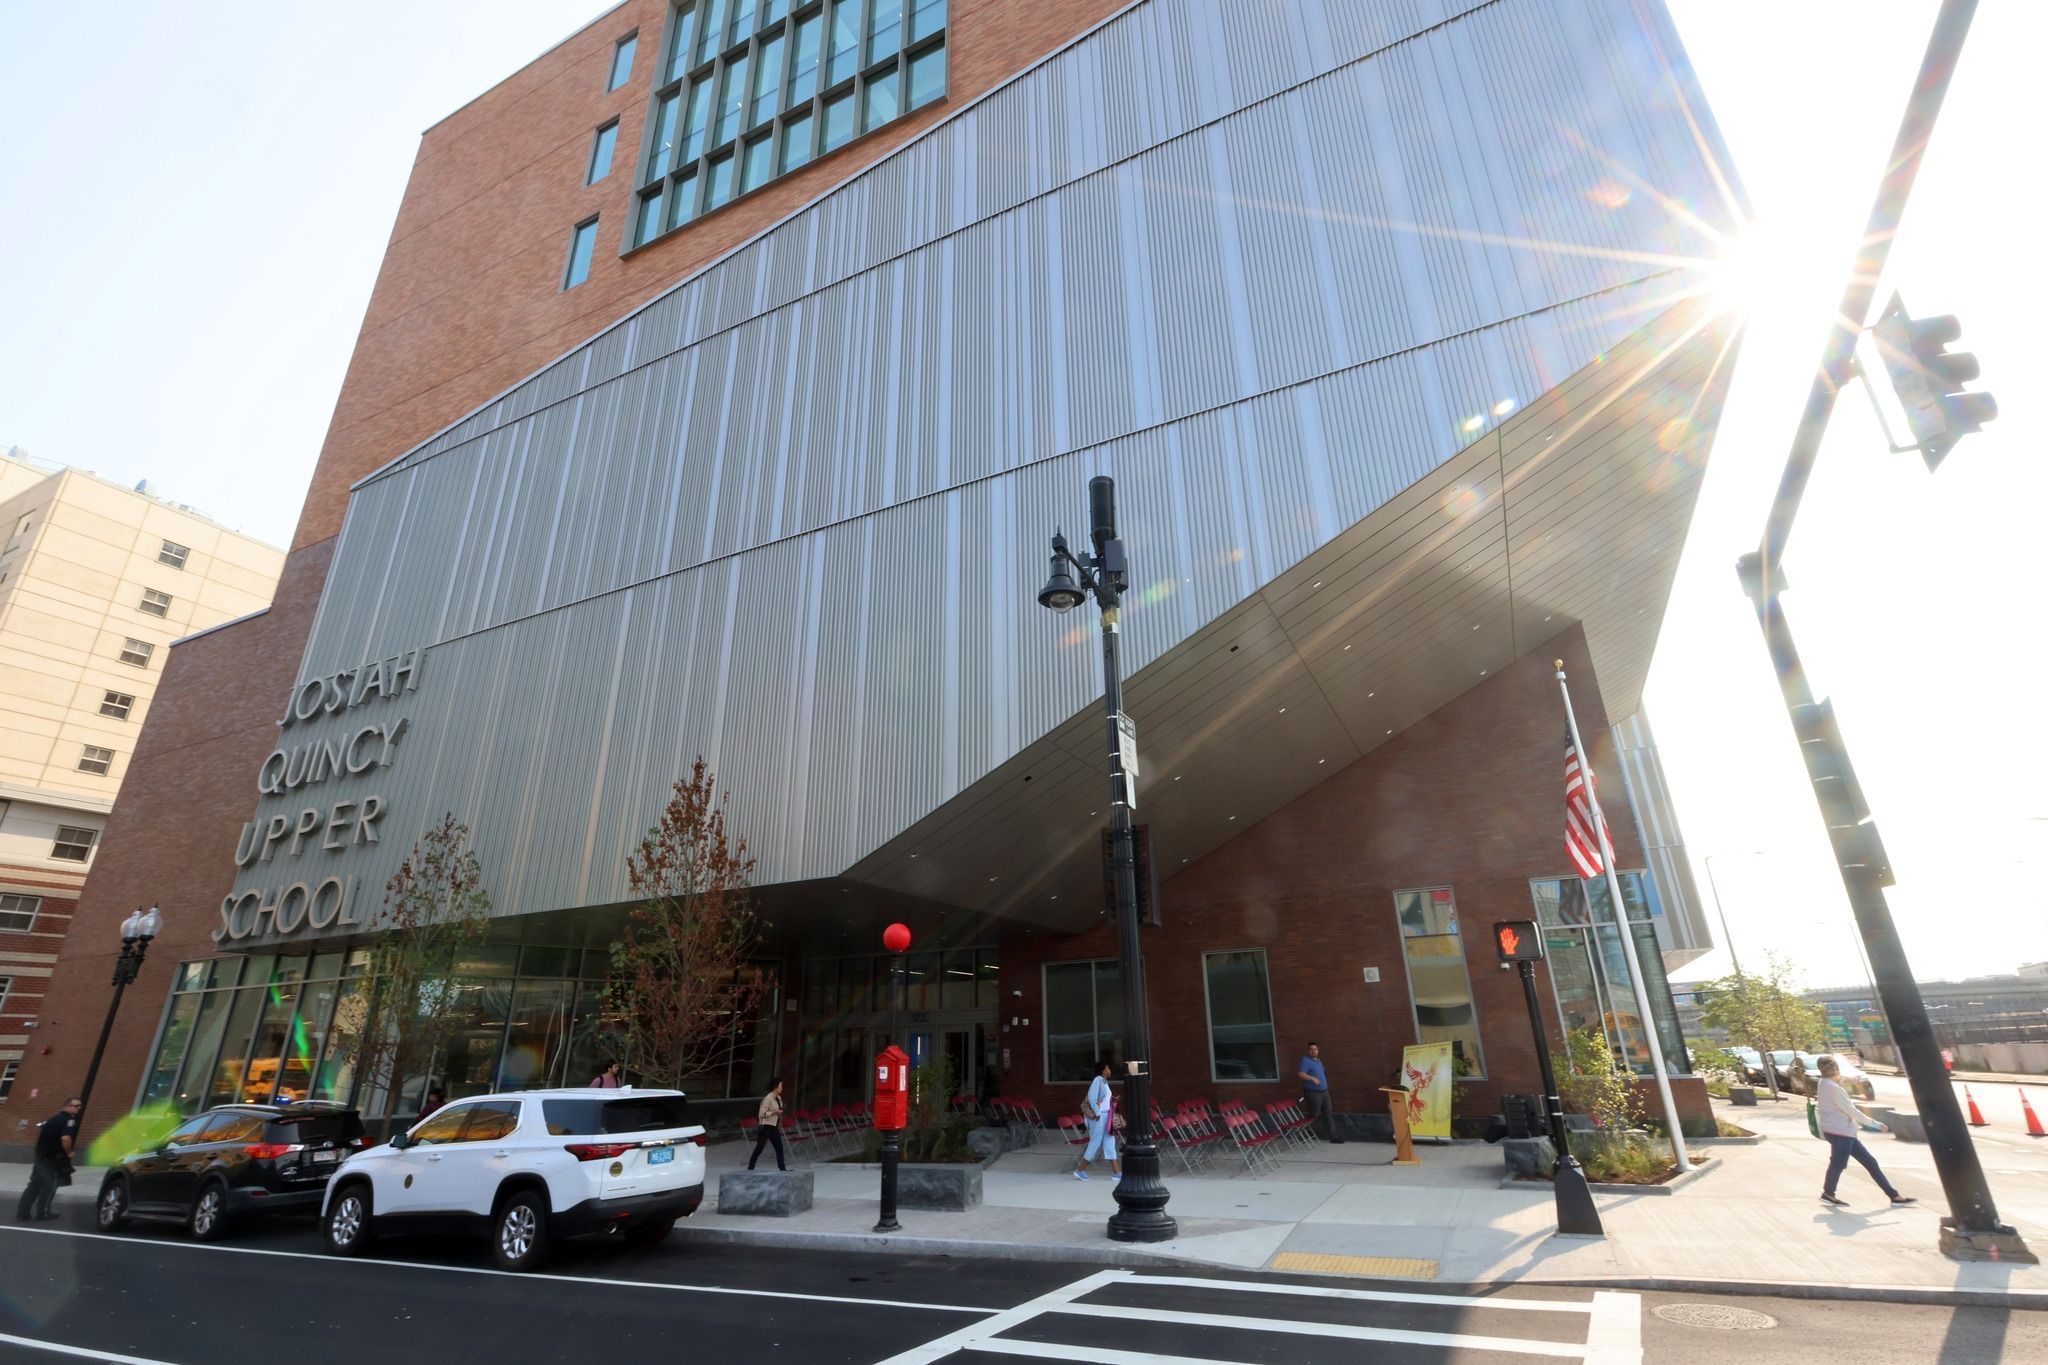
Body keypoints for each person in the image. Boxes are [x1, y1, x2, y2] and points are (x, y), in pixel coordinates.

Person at [1815, 1055, 1914, 1208]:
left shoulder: (1823, 1083)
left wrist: (1847, 1080)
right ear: (1834, 1069)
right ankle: (1828, 1193)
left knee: (1869, 1162)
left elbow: (1837, 1082)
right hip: (1841, 1132)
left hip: (1839, 1131)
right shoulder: (1834, 1089)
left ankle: (1894, 1196)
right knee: (1838, 1163)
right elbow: (1852, 1111)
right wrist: (1875, 1124)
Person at [16, 1097, 80, 1222]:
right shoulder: (69, 1121)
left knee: (34, 1185)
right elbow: (65, 1138)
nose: (78, 1108)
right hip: (54, 1159)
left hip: (41, 1157)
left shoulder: (52, 1119)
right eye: (76, 1106)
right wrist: (69, 1152)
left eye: (79, 1106)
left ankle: (23, 1212)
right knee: (49, 1186)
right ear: (67, 1106)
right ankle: (43, 1212)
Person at [1074, 1060, 1120, 1182]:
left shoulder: (1104, 1082)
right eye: (1108, 1068)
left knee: (1110, 1141)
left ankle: (1117, 1172)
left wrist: (1113, 1099)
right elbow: (1092, 1097)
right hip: (1099, 1117)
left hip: (1106, 1116)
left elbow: (1102, 1100)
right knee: (1095, 1142)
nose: (1110, 1070)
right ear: (1103, 1070)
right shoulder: (1098, 1080)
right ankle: (1080, 1170)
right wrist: (1098, 1113)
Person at [1297, 1042, 1344, 1143]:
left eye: (1315, 1049)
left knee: (1328, 1114)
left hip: (1324, 1093)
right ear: (1308, 1050)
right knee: (1315, 1114)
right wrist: (1312, 1078)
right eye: (1311, 1049)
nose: (1314, 1051)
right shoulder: (1305, 1061)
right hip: (1313, 1093)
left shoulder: (1318, 1061)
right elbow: (1301, 1074)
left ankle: (1333, 1137)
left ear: (1318, 1051)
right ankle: (1302, 1133)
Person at [747, 1077, 788, 1171]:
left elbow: (779, 1110)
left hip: (774, 1127)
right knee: (760, 1148)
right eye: (780, 1086)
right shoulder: (768, 1098)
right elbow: (762, 1114)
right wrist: (774, 1112)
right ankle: (750, 1167)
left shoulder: (778, 1098)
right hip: (766, 1126)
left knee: (779, 1147)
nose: (782, 1088)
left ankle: (782, 1169)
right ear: (775, 1087)